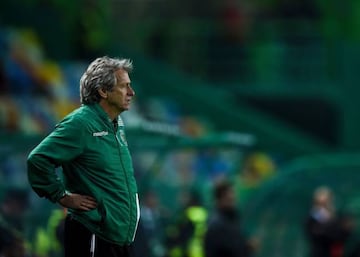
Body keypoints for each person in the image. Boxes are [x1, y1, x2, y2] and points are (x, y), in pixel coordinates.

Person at [27, 56, 140, 257]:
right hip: (93, 234)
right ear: (103, 91)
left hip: (119, 238)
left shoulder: (117, 123)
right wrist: (61, 196)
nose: (131, 92)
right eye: (124, 86)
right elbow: (38, 159)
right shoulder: (80, 123)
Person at [204, 180, 256, 257]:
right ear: (219, 200)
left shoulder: (232, 219)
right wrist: (247, 247)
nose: (233, 202)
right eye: (229, 200)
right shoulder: (217, 224)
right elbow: (229, 250)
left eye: (233, 199)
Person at [305, 186, 353, 257]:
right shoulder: (312, 218)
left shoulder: (337, 216)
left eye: (327, 201)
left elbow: (343, 235)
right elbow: (318, 236)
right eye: (322, 203)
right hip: (320, 253)